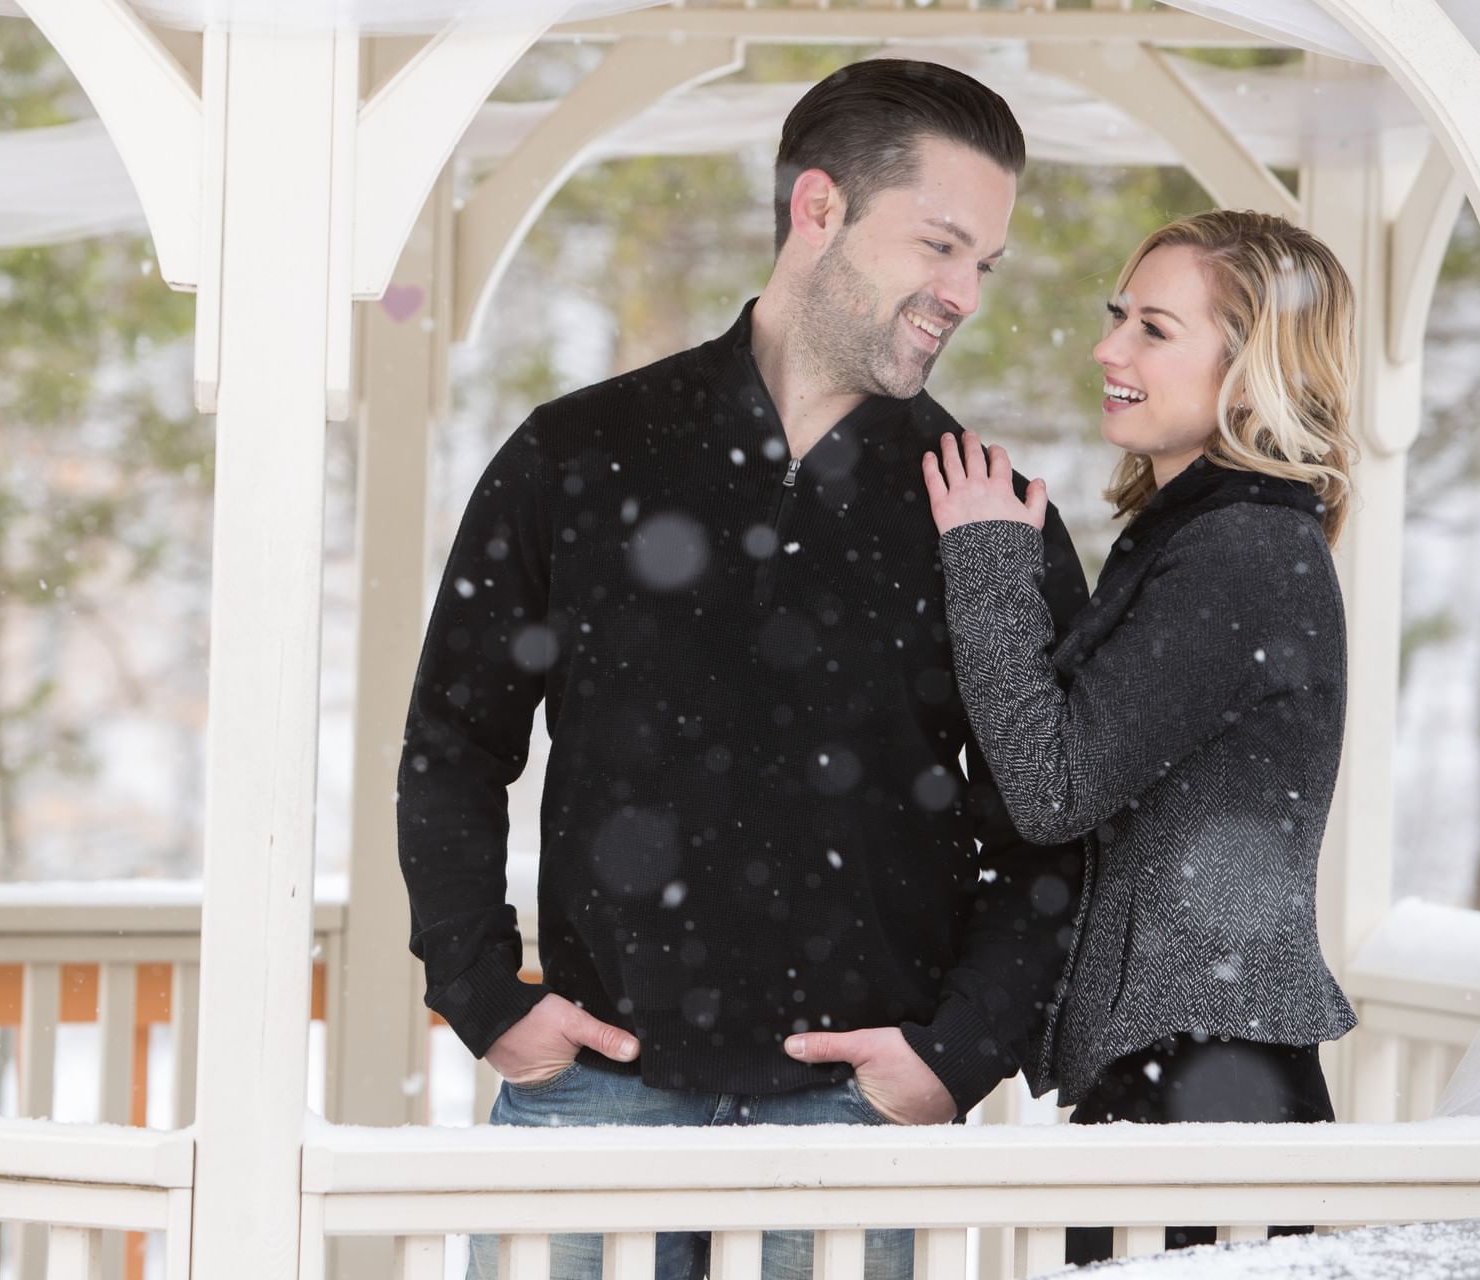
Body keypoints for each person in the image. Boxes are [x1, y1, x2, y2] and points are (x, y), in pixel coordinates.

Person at [396, 58, 1090, 1280]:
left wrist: (957, 1050)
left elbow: (1050, 820)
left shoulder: (991, 517)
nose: (963, 294)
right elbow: (455, 738)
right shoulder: (579, 453)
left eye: (984, 263)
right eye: (939, 245)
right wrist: (484, 990)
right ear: (817, 208)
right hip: (596, 1096)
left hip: (858, 1116)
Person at [921, 209, 1361, 1265]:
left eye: (1154, 329)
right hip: (1181, 1078)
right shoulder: (1197, 539)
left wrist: (986, 563)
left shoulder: (1243, 552)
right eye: (1118, 315)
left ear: (1251, 368)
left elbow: (1054, 783)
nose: (1107, 348)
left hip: (1211, 1090)